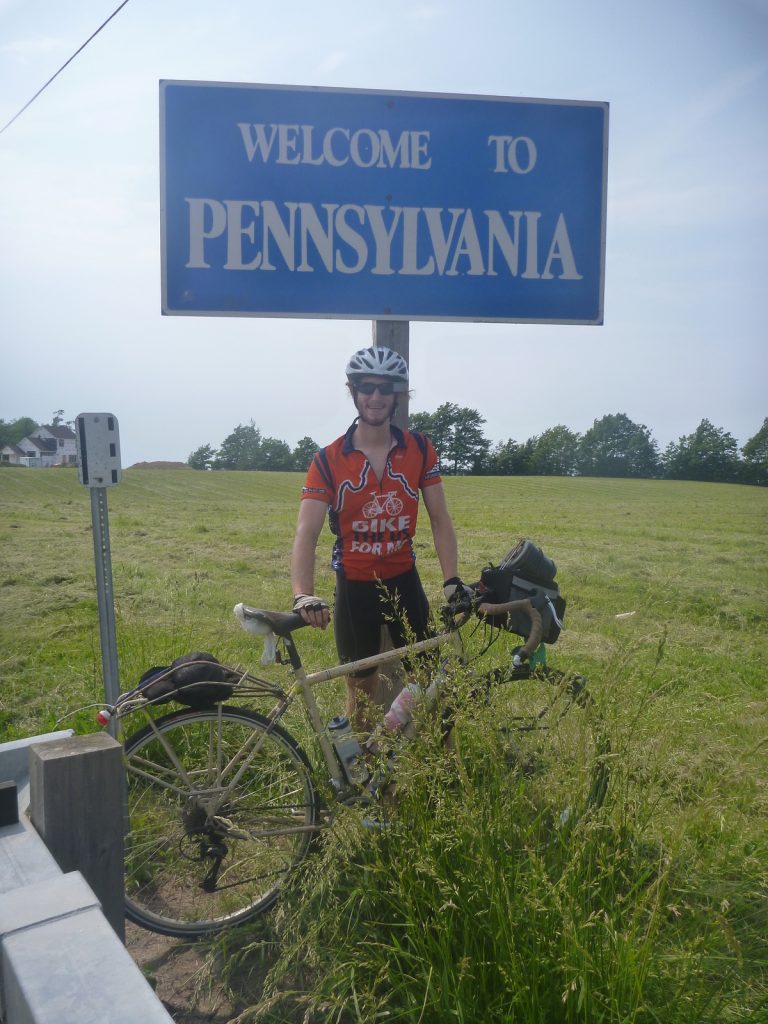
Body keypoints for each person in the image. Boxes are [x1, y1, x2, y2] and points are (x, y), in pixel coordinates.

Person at [290, 345, 471, 730]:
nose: (375, 397)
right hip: (355, 585)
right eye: (366, 387)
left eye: (384, 389)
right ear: (353, 392)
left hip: (405, 579)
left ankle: (412, 759)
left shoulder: (420, 449)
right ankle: (366, 770)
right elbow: (307, 533)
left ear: (397, 396)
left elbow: (440, 519)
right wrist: (303, 592)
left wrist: (452, 580)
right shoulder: (328, 459)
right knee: (361, 686)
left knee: (425, 678)